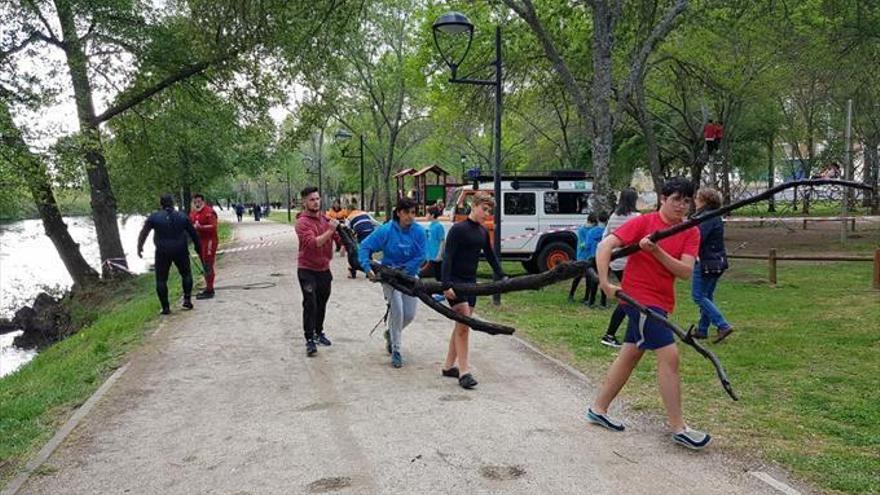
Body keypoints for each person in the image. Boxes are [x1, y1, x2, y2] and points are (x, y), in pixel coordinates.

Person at [586, 177, 711, 451]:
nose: (681, 205)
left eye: (687, 200)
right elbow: (604, 246)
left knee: (630, 354)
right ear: (663, 199)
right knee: (670, 356)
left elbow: (685, 272)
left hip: (661, 300)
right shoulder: (644, 222)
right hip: (639, 299)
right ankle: (679, 427)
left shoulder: (691, 231)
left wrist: (656, 251)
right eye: (676, 199)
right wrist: (605, 282)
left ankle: (598, 408)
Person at [441, 192, 506, 390]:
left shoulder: (482, 232)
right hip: (456, 283)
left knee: (461, 325)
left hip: (471, 284)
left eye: (489, 211)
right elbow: (448, 257)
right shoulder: (458, 230)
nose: (486, 214)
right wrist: (446, 284)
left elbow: (490, 255)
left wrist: (502, 276)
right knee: (464, 326)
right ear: (474, 205)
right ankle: (465, 371)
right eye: (484, 209)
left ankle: (447, 366)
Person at [358, 198, 426, 368]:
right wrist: (367, 267)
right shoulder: (386, 230)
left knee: (409, 315)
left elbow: (421, 255)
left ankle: (391, 333)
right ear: (399, 212)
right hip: (389, 277)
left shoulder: (418, 231)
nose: (410, 216)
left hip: (409, 277)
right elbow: (365, 247)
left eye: (413, 212)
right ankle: (396, 350)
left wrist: (407, 269)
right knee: (397, 310)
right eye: (406, 212)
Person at [137, 194, 204, 315]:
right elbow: (193, 233)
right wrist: (198, 248)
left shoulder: (154, 217)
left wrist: (139, 247)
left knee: (161, 279)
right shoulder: (182, 216)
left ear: (161, 204)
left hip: (162, 251)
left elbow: (144, 233)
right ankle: (187, 300)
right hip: (180, 249)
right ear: (172, 203)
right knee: (186, 274)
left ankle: (165, 307)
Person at [295, 186, 340, 356]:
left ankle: (319, 332)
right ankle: (309, 339)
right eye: (312, 199)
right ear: (304, 202)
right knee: (310, 303)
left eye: (317, 198)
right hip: (307, 269)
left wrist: (343, 241)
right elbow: (314, 243)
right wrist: (331, 230)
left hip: (324, 269)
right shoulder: (302, 223)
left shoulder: (324, 219)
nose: (315, 202)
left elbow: (336, 237)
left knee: (322, 303)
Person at [599, 188, 641, 348]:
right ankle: (611, 334)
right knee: (629, 298)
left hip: (616, 262)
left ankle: (630, 333)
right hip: (631, 262)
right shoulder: (637, 217)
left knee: (631, 296)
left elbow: (606, 237)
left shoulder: (614, 216)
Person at [691, 187, 733, 343]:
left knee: (698, 296)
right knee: (707, 296)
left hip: (706, 262)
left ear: (704, 201)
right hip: (716, 261)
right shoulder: (713, 216)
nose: (695, 201)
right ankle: (702, 329)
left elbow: (697, 238)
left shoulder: (707, 218)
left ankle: (722, 324)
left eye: (697, 198)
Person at [568, 211, 608, 307]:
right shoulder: (582, 230)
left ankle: (587, 297)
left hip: (590, 257)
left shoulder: (593, 230)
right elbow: (583, 244)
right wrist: (585, 245)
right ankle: (571, 294)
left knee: (589, 279)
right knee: (577, 276)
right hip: (582, 256)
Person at [189, 194, 219, 299]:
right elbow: (189, 225)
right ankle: (208, 287)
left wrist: (200, 227)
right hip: (199, 242)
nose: (197, 204)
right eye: (195, 202)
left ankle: (210, 290)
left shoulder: (209, 212)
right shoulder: (192, 213)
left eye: (199, 202)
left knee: (208, 264)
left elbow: (213, 226)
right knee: (204, 264)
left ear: (203, 201)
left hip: (210, 241)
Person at [345, 208, 378, 278]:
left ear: (349, 211)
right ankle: (369, 271)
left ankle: (352, 272)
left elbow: (346, 228)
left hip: (361, 233)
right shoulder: (365, 213)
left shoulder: (349, 217)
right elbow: (375, 223)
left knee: (354, 252)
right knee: (368, 250)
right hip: (370, 231)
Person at [421, 206, 446, 281]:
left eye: (427, 213)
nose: (426, 215)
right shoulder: (429, 226)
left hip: (436, 257)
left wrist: (439, 255)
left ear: (432, 215)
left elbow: (442, 241)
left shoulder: (439, 226)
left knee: (439, 277)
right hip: (429, 256)